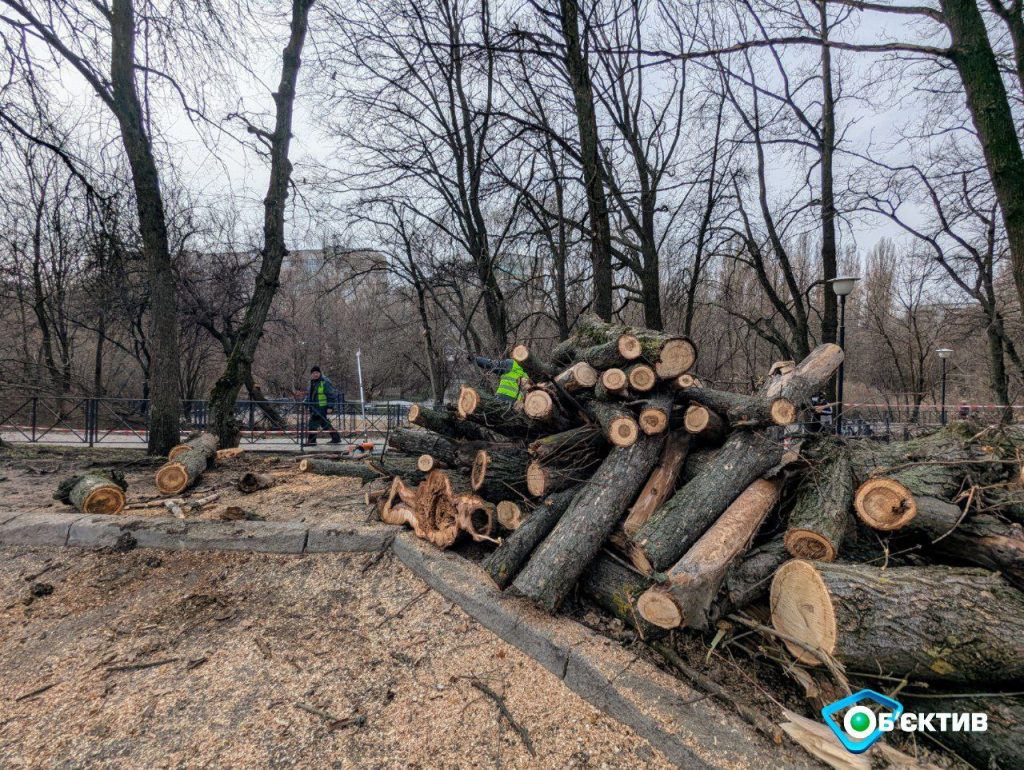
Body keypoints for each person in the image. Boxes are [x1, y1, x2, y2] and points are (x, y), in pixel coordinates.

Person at [305, 365, 341, 446]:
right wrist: (306, 402)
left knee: (312, 423)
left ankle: (312, 441)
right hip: (314, 407)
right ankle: (336, 438)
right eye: (314, 373)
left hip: (322, 407)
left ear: (320, 373)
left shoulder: (325, 382)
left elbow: (331, 394)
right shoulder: (311, 382)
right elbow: (310, 395)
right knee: (324, 423)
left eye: (317, 372)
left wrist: (330, 407)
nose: (315, 374)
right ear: (311, 374)